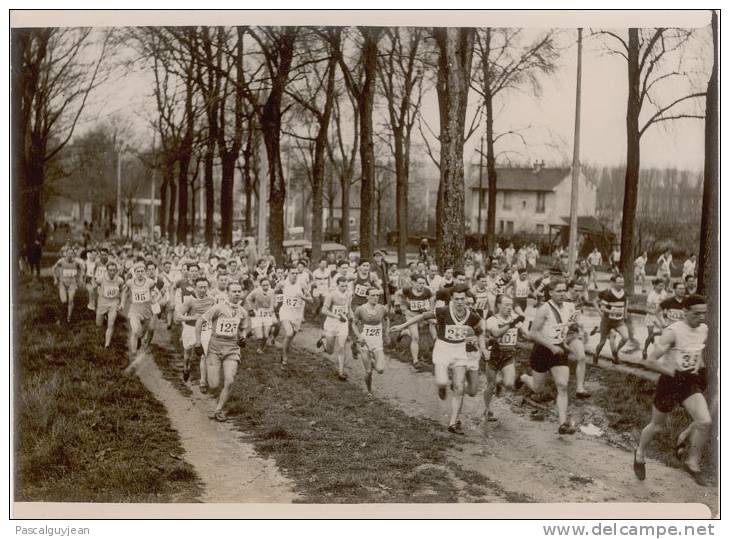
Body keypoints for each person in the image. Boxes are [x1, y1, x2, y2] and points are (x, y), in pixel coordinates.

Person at [634, 295, 710, 486]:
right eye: (696, 313)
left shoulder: (703, 329)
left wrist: (700, 368)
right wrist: (674, 372)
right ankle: (640, 453)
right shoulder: (673, 332)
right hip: (670, 382)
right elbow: (650, 360)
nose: (701, 317)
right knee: (657, 425)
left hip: (688, 382)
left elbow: (697, 352)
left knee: (704, 421)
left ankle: (692, 463)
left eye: (703, 313)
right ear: (685, 312)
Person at [390, 285, 485, 434]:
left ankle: (453, 423)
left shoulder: (471, 315)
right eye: (457, 299)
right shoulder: (443, 311)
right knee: (442, 382)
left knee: (459, 387)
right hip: (443, 349)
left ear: (466, 299)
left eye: (462, 299)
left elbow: (480, 329)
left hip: (460, 351)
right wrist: (403, 325)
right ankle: (442, 387)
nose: (460, 302)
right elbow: (422, 316)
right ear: (452, 299)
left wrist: (483, 345)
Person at [518, 279, 576, 435]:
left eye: (564, 291)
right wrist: (551, 346)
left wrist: (564, 343)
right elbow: (533, 333)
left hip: (558, 351)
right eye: (558, 291)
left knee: (562, 385)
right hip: (542, 351)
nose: (562, 294)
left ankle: (563, 424)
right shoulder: (544, 309)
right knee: (538, 388)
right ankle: (523, 377)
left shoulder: (569, 308)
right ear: (550, 292)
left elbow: (561, 329)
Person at [195, 282, 248, 421]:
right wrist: (197, 342)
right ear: (228, 293)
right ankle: (204, 378)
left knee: (229, 380)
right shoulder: (218, 308)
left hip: (232, 348)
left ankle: (218, 410)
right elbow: (200, 321)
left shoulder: (243, 312)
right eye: (234, 291)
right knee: (213, 384)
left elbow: (243, 328)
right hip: (215, 347)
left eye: (239, 291)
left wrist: (243, 337)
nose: (237, 294)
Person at [484, 295, 526, 423]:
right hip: (494, 355)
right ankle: (487, 410)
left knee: (508, 383)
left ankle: (500, 384)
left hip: (508, 355)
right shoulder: (492, 319)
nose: (509, 308)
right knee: (490, 386)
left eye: (511, 305)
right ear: (498, 305)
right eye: (506, 305)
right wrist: (511, 324)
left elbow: (525, 334)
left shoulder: (515, 319)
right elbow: (496, 333)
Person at [120, 262, 161, 371]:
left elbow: (157, 293)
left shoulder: (150, 282)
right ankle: (133, 355)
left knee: (141, 333)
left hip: (147, 311)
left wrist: (155, 300)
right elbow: (124, 292)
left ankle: (139, 342)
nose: (140, 273)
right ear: (135, 272)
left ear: (145, 272)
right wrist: (122, 303)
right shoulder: (130, 282)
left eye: (142, 271)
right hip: (135, 310)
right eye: (138, 271)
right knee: (135, 331)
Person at [178, 277, 216, 384]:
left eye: (205, 287)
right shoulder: (189, 300)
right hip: (191, 328)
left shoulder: (212, 300)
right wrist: (193, 318)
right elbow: (178, 317)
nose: (203, 290)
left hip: (205, 330)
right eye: (200, 287)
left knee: (204, 355)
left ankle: (203, 381)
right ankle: (186, 367)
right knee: (187, 354)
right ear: (195, 287)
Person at [352, 287, 390, 392]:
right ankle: (369, 391)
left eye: (377, 295)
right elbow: (354, 324)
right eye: (372, 295)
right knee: (368, 372)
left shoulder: (382, 309)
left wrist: (386, 333)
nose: (375, 297)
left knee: (381, 369)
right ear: (367, 297)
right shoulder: (360, 309)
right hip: (365, 342)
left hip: (377, 342)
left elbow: (386, 319)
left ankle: (373, 363)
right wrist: (359, 337)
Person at [275, 266, 312, 367]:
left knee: (290, 338)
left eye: (296, 273)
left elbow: (311, 300)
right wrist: (273, 303)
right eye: (292, 273)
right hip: (285, 312)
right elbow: (273, 292)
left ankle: (284, 352)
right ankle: (284, 357)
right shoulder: (282, 283)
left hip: (297, 314)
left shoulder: (302, 284)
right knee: (289, 333)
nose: (295, 275)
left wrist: (303, 297)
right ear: (288, 273)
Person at [317, 276, 352, 380]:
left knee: (341, 346)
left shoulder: (349, 294)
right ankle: (324, 341)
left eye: (346, 286)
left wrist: (351, 317)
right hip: (331, 324)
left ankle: (341, 372)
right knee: (330, 351)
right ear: (337, 285)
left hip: (343, 324)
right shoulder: (331, 295)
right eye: (342, 286)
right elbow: (324, 310)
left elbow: (348, 308)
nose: (344, 288)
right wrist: (337, 316)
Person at [395, 273, 434, 367]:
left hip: (422, 315)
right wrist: (399, 305)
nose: (421, 285)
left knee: (415, 332)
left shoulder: (427, 291)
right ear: (413, 283)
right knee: (415, 337)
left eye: (423, 283)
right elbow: (397, 293)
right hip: (411, 315)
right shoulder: (408, 290)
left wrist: (431, 309)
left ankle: (403, 332)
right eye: (419, 283)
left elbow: (433, 297)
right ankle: (415, 361)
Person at [593, 275, 631, 365]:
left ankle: (615, 353)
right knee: (602, 342)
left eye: (622, 282)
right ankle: (596, 355)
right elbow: (602, 307)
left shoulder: (624, 293)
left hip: (618, 321)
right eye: (619, 283)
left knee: (626, 337)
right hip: (607, 321)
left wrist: (625, 316)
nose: (621, 284)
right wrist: (611, 311)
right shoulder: (608, 294)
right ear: (614, 283)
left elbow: (625, 306)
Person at [95, 260, 125, 348]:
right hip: (102, 304)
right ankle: (99, 339)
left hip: (113, 304)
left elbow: (123, 290)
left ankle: (107, 344)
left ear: (116, 270)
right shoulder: (101, 279)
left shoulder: (119, 280)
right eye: (110, 270)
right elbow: (95, 285)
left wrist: (122, 302)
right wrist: (97, 293)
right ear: (106, 270)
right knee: (98, 325)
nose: (112, 272)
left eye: (114, 270)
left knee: (111, 323)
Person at [245, 277, 278, 354]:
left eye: (267, 285)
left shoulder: (272, 292)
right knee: (259, 336)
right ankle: (253, 332)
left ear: (269, 285)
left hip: (267, 314)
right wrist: (251, 309)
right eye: (263, 285)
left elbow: (274, 303)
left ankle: (260, 348)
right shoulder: (256, 291)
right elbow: (248, 299)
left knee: (265, 335)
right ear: (260, 285)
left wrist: (272, 308)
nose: (266, 287)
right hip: (257, 313)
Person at [52, 248, 85, 324]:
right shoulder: (61, 261)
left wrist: (80, 278)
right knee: (64, 301)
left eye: (72, 253)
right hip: (63, 284)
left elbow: (82, 269)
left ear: (74, 255)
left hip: (72, 284)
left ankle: (68, 317)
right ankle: (62, 317)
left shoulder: (76, 262)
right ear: (65, 254)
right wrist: (55, 279)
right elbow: (53, 268)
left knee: (71, 299)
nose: (70, 255)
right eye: (68, 253)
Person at [642, 279, 668, 360]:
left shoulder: (664, 293)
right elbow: (647, 308)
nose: (661, 287)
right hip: (651, 316)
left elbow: (665, 305)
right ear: (655, 286)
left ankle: (654, 335)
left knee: (664, 331)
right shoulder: (651, 295)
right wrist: (653, 312)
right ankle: (645, 350)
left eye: (663, 286)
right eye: (660, 286)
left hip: (659, 316)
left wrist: (665, 312)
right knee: (650, 336)